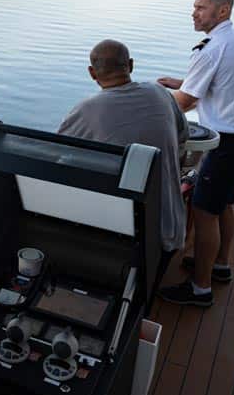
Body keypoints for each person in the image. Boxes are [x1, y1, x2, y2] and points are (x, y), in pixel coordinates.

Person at [156, 0, 234, 307]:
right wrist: (183, 82)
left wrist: (151, 105)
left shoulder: (210, 49)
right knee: (225, 203)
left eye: (201, 8)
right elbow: (227, 83)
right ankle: (220, 265)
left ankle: (200, 289)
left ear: (222, 11)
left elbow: (185, 102)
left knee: (205, 211)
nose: (193, 13)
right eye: (194, 7)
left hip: (230, 145)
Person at [58, 39, 188, 294]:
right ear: (130, 65)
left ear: (92, 73)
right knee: (144, 294)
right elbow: (183, 135)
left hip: (125, 234)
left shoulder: (87, 111)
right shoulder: (160, 93)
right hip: (170, 226)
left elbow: (58, 156)